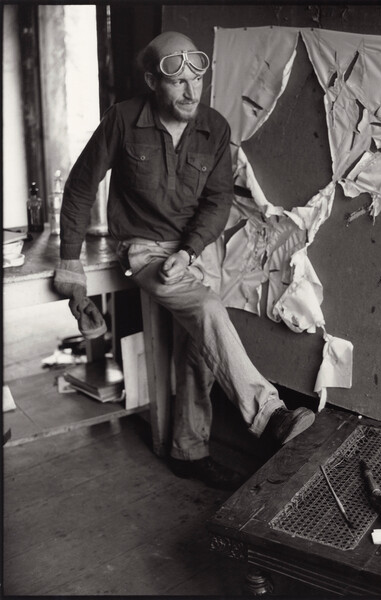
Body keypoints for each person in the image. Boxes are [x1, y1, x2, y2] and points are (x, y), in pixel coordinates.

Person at [53, 31, 315, 490]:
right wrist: (70, 265)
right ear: (153, 81)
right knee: (209, 310)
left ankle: (189, 452)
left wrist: (189, 251)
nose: (192, 92)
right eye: (178, 82)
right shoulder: (122, 119)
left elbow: (216, 201)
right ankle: (270, 415)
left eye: (197, 80)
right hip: (141, 246)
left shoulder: (214, 127)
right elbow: (79, 187)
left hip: (193, 249)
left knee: (200, 346)